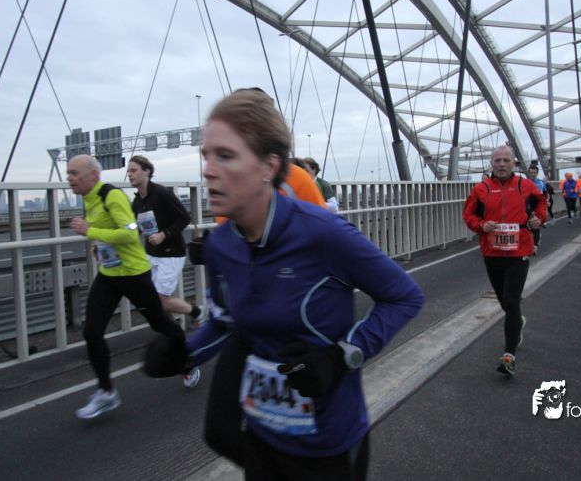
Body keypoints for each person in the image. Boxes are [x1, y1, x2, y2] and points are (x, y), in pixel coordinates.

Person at [143, 89, 424, 479]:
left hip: (328, 445)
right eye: (206, 156)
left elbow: (405, 297)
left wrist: (343, 355)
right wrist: (184, 355)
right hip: (261, 438)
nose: (208, 170)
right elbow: (226, 323)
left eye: (225, 156)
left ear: (268, 166)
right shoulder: (222, 245)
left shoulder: (323, 233)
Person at [67, 154, 185, 419]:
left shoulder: (112, 196)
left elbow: (130, 232)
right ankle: (107, 392)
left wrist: (90, 232)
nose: (69, 178)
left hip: (134, 274)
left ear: (93, 175)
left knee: (161, 324)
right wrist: (100, 247)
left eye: (75, 173)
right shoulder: (89, 198)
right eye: (68, 173)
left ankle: (187, 360)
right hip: (109, 274)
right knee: (92, 332)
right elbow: (110, 231)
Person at [463, 146, 546, 377]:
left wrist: (538, 219)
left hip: (519, 251)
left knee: (511, 300)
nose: (501, 164)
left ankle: (509, 356)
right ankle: (517, 322)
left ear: (513, 163)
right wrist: (481, 225)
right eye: (497, 160)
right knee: (505, 302)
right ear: (491, 163)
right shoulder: (480, 189)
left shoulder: (525, 185)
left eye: (506, 160)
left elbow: (541, 203)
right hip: (492, 252)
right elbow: (468, 215)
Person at [127, 154, 203, 388]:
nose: (130, 174)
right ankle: (178, 329)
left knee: (161, 301)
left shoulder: (161, 194)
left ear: (147, 172)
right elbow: (134, 227)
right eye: (128, 171)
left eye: (134, 170)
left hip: (171, 253)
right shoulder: (137, 202)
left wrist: (164, 234)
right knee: (148, 300)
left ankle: (195, 314)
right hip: (151, 254)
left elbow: (184, 218)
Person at [526, 165, 547, 254]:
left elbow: (545, 194)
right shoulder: (525, 182)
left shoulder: (541, 183)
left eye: (534, 173)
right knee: (527, 227)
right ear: (528, 173)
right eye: (531, 173)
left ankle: (534, 247)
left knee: (535, 226)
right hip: (527, 206)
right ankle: (533, 241)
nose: (532, 174)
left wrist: (547, 201)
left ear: (537, 173)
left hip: (538, 206)